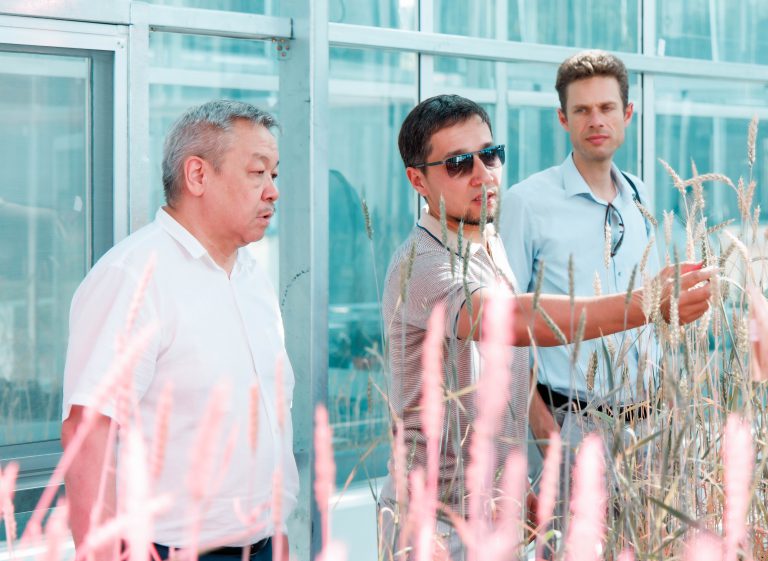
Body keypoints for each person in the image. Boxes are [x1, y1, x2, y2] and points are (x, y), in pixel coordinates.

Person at [379, 94, 713, 560]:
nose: (483, 175)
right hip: (436, 525)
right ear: (417, 179)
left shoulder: (487, 242)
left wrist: (518, 490)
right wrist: (644, 304)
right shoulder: (423, 264)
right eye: (457, 163)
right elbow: (512, 321)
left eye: (489, 155)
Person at [61, 100, 296, 561]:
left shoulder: (253, 277)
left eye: (274, 175)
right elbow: (88, 434)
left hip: (261, 544)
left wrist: (276, 534)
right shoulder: (134, 277)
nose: (273, 192)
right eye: (257, 173)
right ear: (198, 175)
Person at [500, 50, 657, 511]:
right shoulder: (527, 202)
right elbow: (502, 326)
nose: (596, 120)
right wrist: (543, 429)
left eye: (607, 107)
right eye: (582, 110)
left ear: (627, 113)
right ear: (563, 119)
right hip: (571, 422)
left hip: (648, 425)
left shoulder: (639, 195)